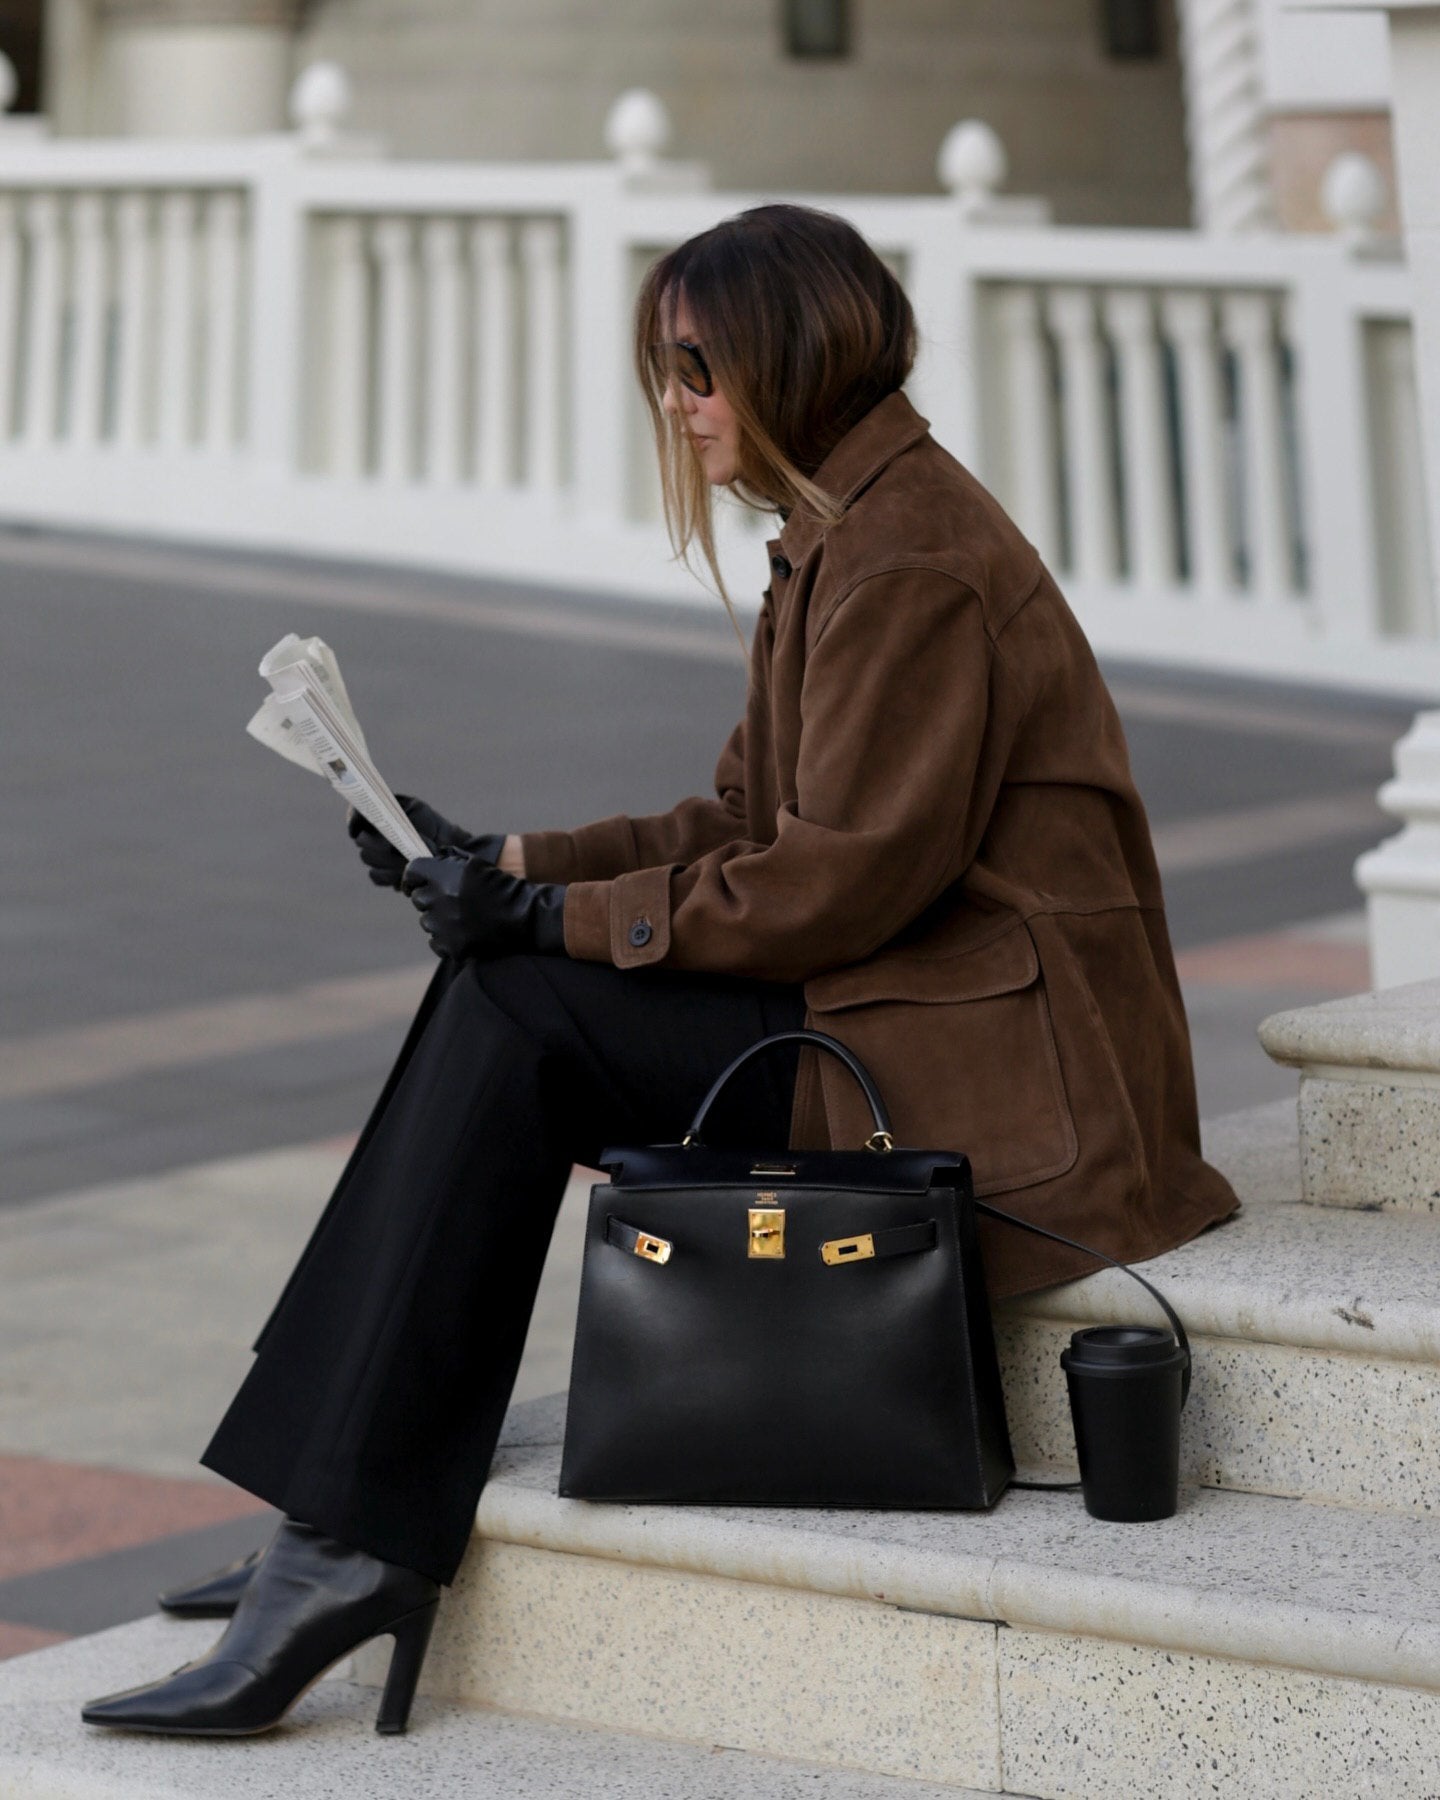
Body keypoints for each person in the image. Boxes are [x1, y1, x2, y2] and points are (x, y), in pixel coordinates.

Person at [81, 203, 1237, 1739]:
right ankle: (333, 1510)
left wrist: (549, 926)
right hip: (898, 1004)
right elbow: (744, 820)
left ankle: (345, 1531)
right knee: (500, 989)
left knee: (522, 1000)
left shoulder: (909, 561)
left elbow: (835, 882)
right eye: (665, 373)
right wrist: (510, 864)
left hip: (989, 1064)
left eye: (697, 370)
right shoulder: (846, 527)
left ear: (790, 355)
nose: (678, 407)